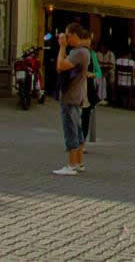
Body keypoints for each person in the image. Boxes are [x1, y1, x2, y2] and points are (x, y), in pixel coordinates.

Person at [53, 23, 91, 176]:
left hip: (70, 97)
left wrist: (62, 47)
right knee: (78, 129)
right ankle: (79, 162)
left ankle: (71, 164)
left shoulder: (79, 52)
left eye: (68, 36)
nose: (66, 38)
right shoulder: (83, 52)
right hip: (77, 96)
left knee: (71, 130)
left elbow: (60, 66)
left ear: (75, 35)